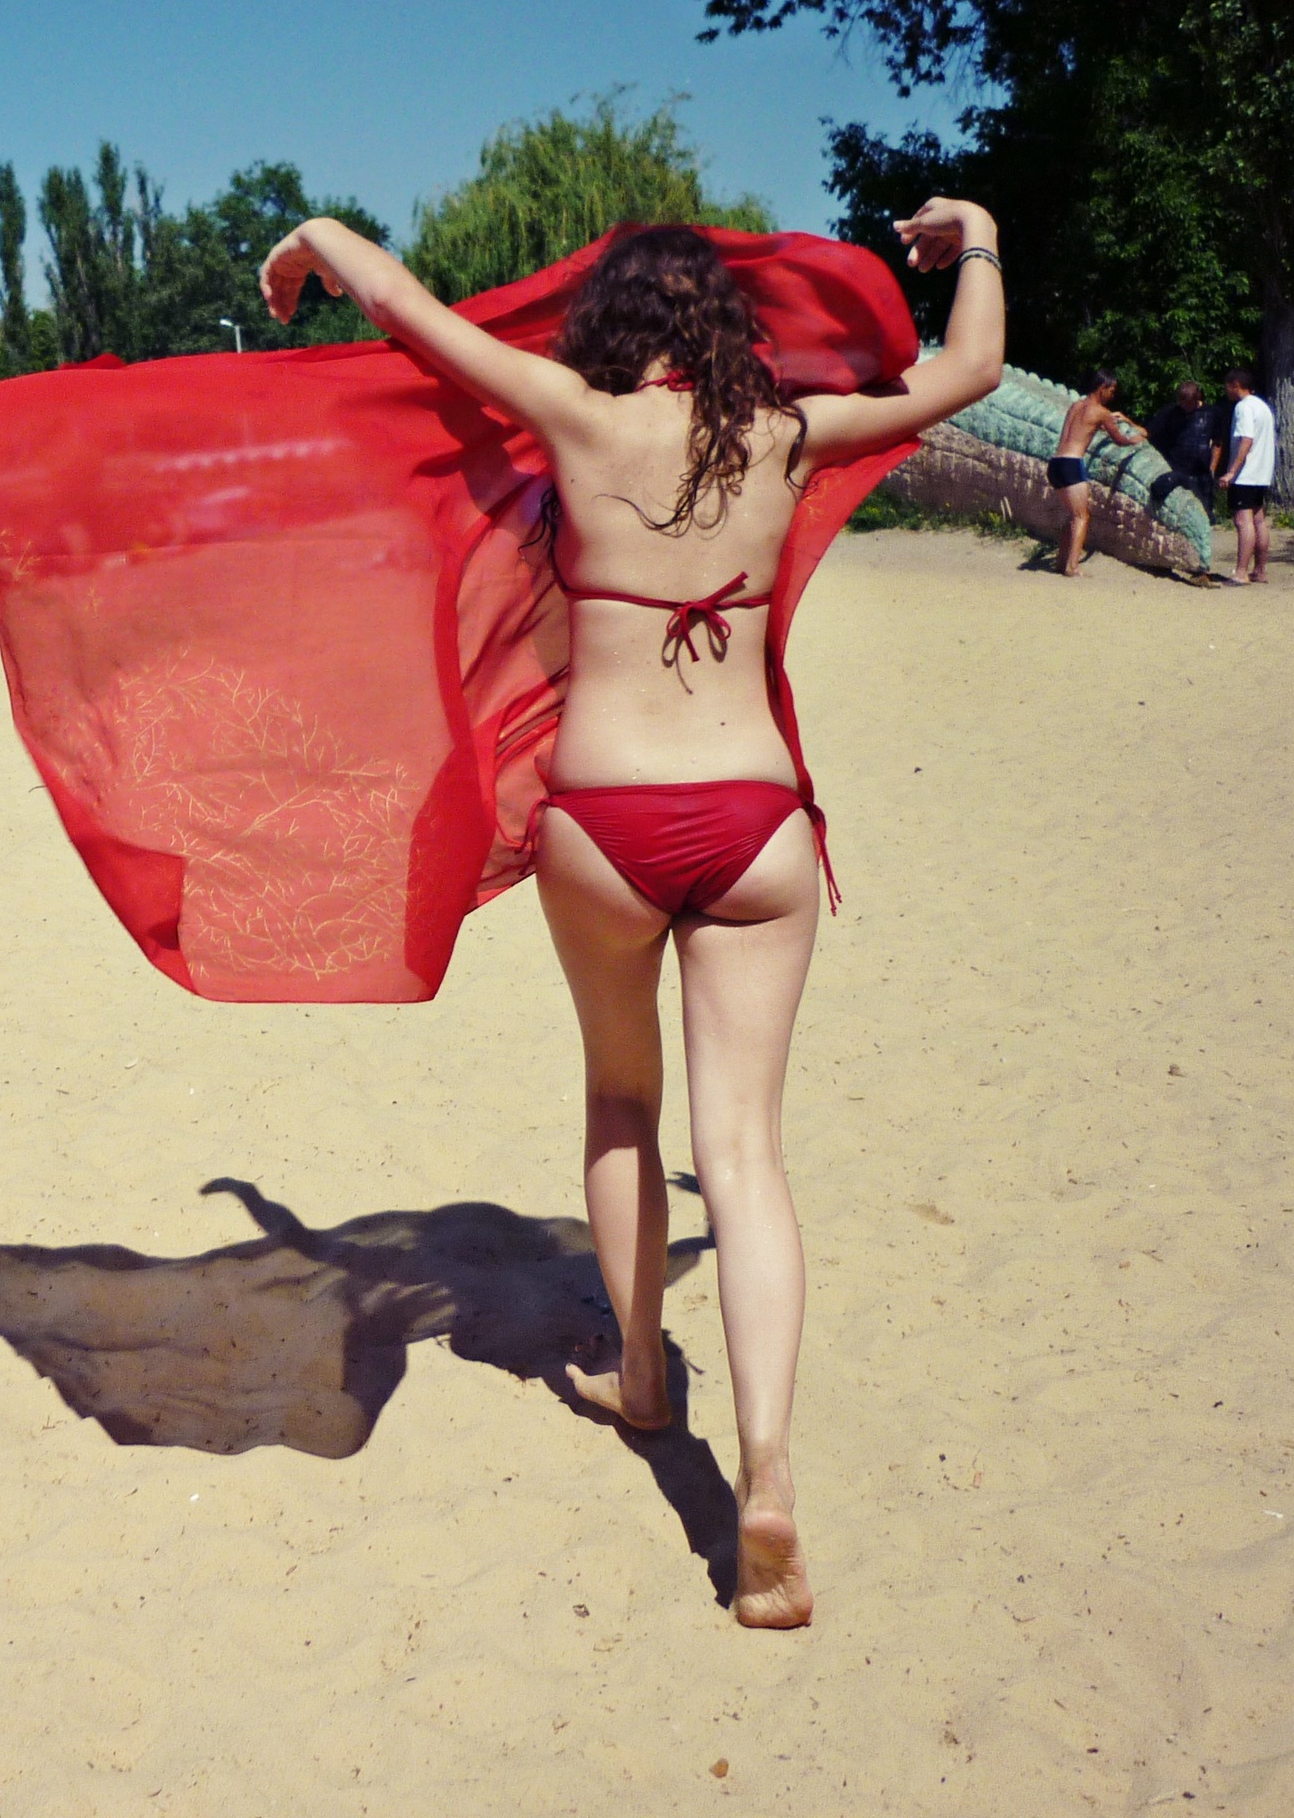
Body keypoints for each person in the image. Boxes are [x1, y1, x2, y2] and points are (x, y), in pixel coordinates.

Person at [253, 197, 1004, 1627]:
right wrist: (973, 233)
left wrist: (314, 237)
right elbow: (967, 372)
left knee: (620, 1101)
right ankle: (764, 1472)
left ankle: (644, 1377)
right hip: (754, 822)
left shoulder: (576, 420)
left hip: (603, 822)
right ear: (721, 328)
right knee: (745, 1153)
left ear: (608, 325)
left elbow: (407, 311)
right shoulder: (787, 435)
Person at [1047, 373, 1143, 576]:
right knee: (1082, 516)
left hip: (1055, 463)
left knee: (1073, 515)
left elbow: (1080, 430)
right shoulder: (1102, 412)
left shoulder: (1076, 406)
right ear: (1102, 388)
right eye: (1111, 390)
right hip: (1072, 464)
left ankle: (1062, 562)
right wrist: (1133, 440)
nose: (1112, 395)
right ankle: (1072, 567)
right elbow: (1119, 439)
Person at [1219, 366, 1277, 585]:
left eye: (1228, 387)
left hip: (1246, 474)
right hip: (1261, 473)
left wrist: (1232, 471)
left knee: (1243, 521)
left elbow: (1246, 439)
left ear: (1236, 386)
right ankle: (1260, 570)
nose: (1227, 391)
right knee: (1258, 520)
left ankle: (1241, 572)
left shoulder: (1243, 407)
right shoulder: (1262, 407)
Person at [1144, 380, 1229, 516]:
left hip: (1201, 472)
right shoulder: (1171, 412)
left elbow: (1217, 443)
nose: (1184, 406)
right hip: (1174, 468)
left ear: (1197, 398)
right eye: (1181, 402)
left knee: (1203, 512)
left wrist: (1212, 469)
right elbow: (1148, 432)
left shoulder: (1213, 413)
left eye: (1188, 403)